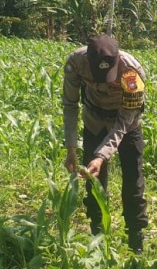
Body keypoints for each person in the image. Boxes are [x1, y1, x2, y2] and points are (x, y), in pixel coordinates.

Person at [62, 34, 148, 253]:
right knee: (94, 181)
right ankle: (97, 230)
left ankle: (135, 236)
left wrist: (102, 155)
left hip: (126, 124)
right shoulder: (75, 63)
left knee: (133, 179)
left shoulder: (132, 73)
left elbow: (123, 122)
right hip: (94, 119)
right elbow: (70, 104)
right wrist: (71, 148)